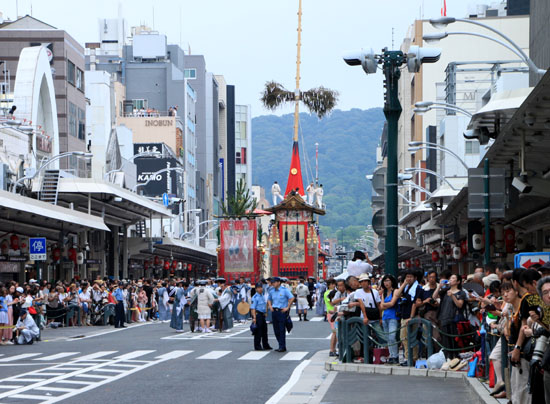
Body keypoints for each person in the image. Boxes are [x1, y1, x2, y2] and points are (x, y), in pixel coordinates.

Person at [433, 273, 467, 359]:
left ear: (458, 282)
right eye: (450, 278)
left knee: (453, 341)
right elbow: (434, 297)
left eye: (453, 278)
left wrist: (452, 296)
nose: (451, 280)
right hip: (443, 318)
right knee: (445, 341)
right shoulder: (445, 291)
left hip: (453, 320)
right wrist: (439, 286)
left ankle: (454, 358)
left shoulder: (461, 293)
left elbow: (460, 305)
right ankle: (448, 358)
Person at [379, 275, 406, 364]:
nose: (386, 283)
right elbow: (381, 306)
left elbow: (392, 303)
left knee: (392, 336)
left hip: (393, 316)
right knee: (388, 338)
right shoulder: (384, 292)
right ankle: (391, 355)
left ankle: (395, 356)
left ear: (392, 282)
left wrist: (386, 304)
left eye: (388, 281)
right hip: (385, 317)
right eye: (384, 281)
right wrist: (387, 304)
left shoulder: (395, 291)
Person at [267, 277, 295, 352]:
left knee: (281, 329)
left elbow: (292, 298)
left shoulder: (284, 290)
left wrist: (288, 307)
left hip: (282, 311)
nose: (273, 284)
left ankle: (282, 346)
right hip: (274, 311)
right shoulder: (271, 291)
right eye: (272, 283)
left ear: (278, 282)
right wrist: (270, 306)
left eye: (274, 282)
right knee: (276, 330)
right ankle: (280, 344)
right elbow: (269, 299)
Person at [251, 282, 272, 351]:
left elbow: (265, 304)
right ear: (256, 289)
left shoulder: (262, 295)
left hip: (262, 315)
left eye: (261, 287)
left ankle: (265, 345)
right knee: (258, 331)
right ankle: (257, 346)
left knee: (264, 331)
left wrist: (265, 312)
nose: (260, 289)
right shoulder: (255, 297)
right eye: (259, 288)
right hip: (258, 315)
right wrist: (254, 318)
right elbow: (253, 308)